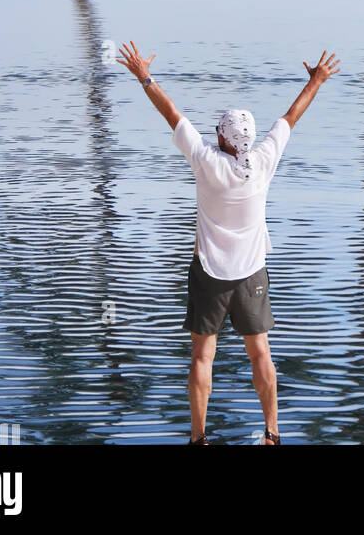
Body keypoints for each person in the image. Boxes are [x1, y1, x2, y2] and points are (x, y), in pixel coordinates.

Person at [115, 39, 340, 446]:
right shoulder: (265, 158)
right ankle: (272, 434)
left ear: (220, 137)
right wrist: (317, 80)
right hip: (252, 274)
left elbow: (172, 115)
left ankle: (198, 438)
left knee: (203, 356)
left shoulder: (205, 161)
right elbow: (291, 116)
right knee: (261, 355)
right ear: (249, 139)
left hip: (210, 275)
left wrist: (144, 76)